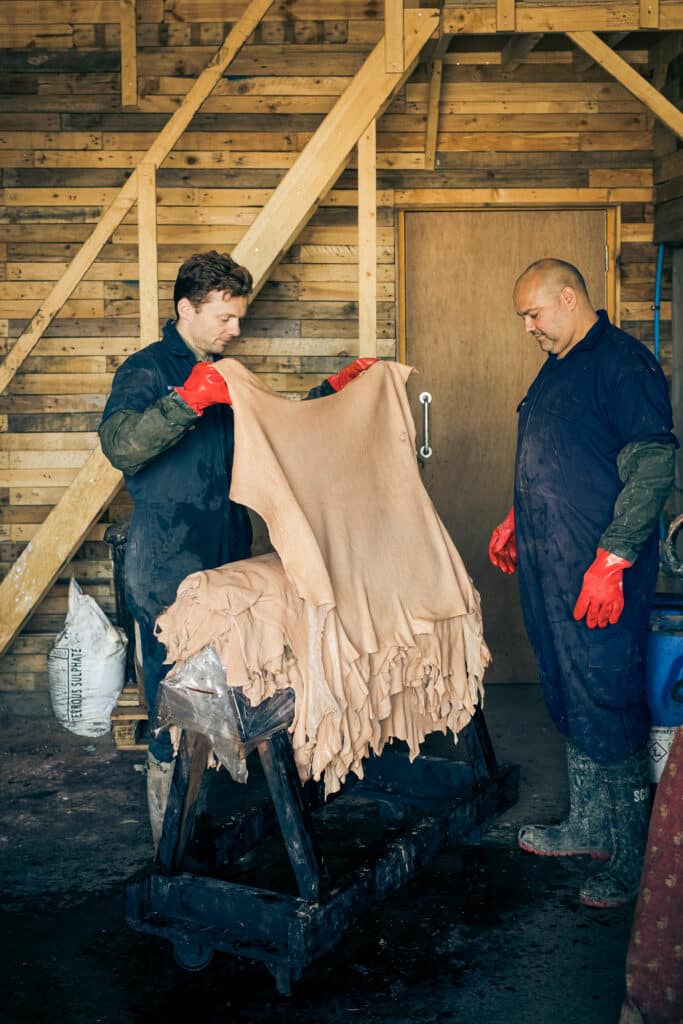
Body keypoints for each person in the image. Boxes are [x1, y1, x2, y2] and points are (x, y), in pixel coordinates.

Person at [99, 250, 376, 847]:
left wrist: (333, 392)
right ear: (186, 310)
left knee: (235, 683)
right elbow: (119, 444)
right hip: (167, 558)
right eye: (225, 317)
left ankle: (215, 816)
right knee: (175, 699)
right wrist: (185, 401)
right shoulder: (147, 370)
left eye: (238, 317)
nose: (236, 329)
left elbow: (278, 424)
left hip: (229, 551)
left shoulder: (229, 370)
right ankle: (169, 844)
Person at [488, 258, 677, 908]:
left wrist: (613, 559)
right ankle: (588, 826)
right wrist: (519, 513)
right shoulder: (562, 362)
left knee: (609, 697)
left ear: (567, 299)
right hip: (551, 565)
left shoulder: (621, 363)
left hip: (597, 570)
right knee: (568, 690)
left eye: (531, 314)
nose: (527, 328)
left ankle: (630, 862)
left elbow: (651, 463)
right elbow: (568, 451)